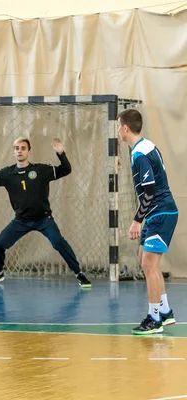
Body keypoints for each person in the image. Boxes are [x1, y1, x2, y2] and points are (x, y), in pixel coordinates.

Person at [0, 136, 91, 288]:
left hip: (43, 219)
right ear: (13, 152)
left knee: (59, 243)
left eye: (23, 148)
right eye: (17, 148)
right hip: (21, 220)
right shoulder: (7, 174)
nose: (19, 151)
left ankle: (79, 273)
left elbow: (66, 170)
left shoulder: (41, 170)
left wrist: (61, 153)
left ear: (29, 152)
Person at [117, 109, 178, 335]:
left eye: (118, 126)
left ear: (125, 128)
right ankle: (165, 312)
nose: (118, 131)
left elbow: (150, 191)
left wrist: (136, 221)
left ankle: (154, 319)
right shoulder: (147, 146)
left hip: (159, 212)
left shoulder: (139, 154)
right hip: (157, 212)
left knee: (149, 266)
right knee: (145, 260)